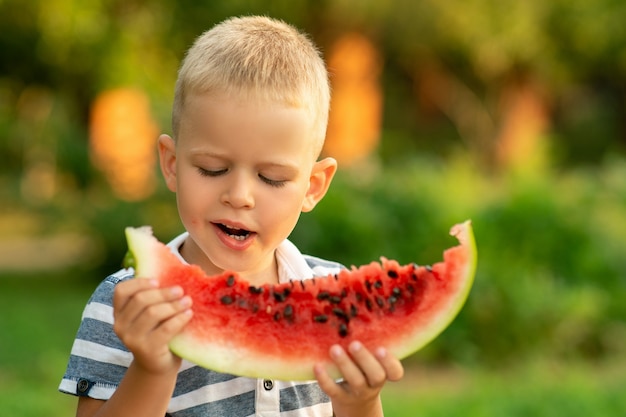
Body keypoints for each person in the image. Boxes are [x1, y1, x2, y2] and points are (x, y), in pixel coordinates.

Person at [59, 15, 404, 417]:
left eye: (271, 178)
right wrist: (151, 371)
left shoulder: (335, 300)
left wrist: (362, 402)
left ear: (313, 186)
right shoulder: (127, 303)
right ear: (171, 165)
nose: (239, 197)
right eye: (212, 169)